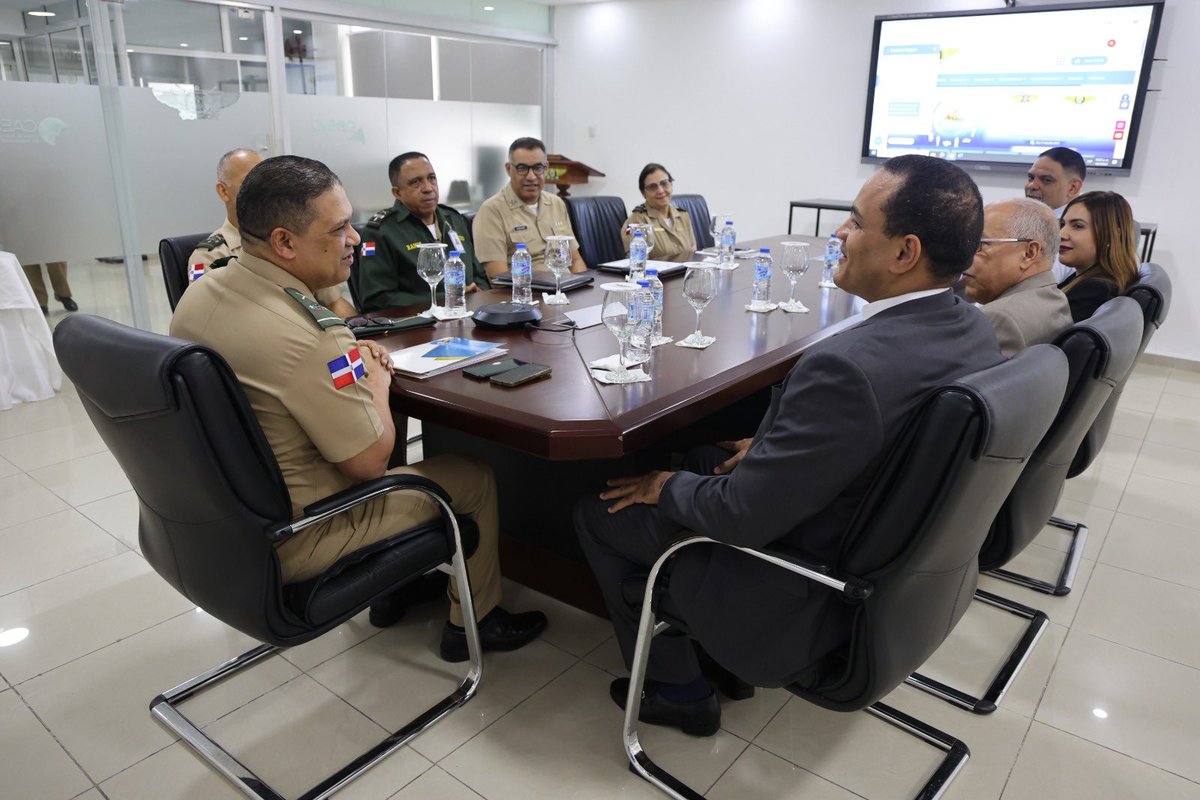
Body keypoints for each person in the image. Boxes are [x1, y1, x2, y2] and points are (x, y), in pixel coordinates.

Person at [574, 155, 1004, 737]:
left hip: (796, 579)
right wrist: (777, 443)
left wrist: (664, 484)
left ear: (905, 253)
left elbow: (741, 514)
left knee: (601, 507)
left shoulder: (848, 368)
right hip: (879, 554)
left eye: (854, 223)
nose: (839, 235)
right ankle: (717, 665)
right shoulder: (971, 326)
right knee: (708, 458)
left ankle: (678, 688)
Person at [170, 155, 546, 662]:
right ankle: (473, 624)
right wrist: (372, 380)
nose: (354, 239)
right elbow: (368, 462)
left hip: (218, 525)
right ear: (284, 242)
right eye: (340, 227)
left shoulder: (197, 296)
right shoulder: (311, 337)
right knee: (472, 476)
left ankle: (405, 587)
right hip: (303, 532)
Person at [187, 148, 357, 319]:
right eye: (248, 181)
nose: (260, 188)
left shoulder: (300, 241)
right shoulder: (208, 257)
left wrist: (354, 338)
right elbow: (216, 318)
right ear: (223, 191)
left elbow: (333, 301)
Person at [357, 152, 490, 312]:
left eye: (432, 178)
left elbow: (479, 276)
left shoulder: (454, 219)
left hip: (468, 314)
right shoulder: (379, 231)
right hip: (418, 325)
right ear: (397, 193)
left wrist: (478, 294)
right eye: (415, 182)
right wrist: (444, 299)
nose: (428, 188)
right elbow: (377, 299)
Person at [962, 198, 1073, 357]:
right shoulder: (1055, 299)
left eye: (979, 245)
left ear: (1029, 253)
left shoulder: (998, 319)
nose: (966, 257)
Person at [472, 136, 586, 278]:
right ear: (508, 169)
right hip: (528, 295)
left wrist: (583, 288)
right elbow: (499, 279)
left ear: (546, 169)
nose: (531, 177)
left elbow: (576, 260)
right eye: (522, 168)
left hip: (566, 291)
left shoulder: (556, 203)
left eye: (538, 168)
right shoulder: (492, 210)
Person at [1057, 190, 1140, 322]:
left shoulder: (1094, 291)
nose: (1061, 234)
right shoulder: (1086, 277)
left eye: (1078, 226)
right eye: (1062, 224)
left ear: (1111, 235)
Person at [1024, 146, 1086, 282]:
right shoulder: (1024, 219)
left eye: (1046, 180)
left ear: (1073, 188)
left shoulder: (1071, 233)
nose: (1032, 186)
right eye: (1031, 177)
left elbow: (1041, 283)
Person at [620, 163, 697, 263]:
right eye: (652, 187)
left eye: (664, 183)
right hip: (658, 277)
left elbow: (692, 251)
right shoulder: (637, 221)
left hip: (684, 274)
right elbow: (637, 262)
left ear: (671, 184)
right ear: (643, 193)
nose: (660, 190)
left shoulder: (682, 215)